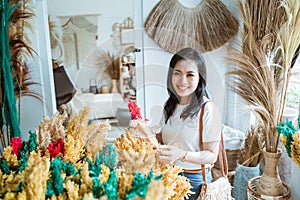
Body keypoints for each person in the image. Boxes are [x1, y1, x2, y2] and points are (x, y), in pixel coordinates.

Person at [155, 47, 222, 200]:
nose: (182, 81)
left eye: (190, 74)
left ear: (200, 78)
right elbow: (161, 138)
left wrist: (182, 155)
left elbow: (212, 156)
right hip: (168, 176)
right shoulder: (170, 105)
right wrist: (147, 134)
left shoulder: (208, 109)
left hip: (194, 182)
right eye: (177, 73)